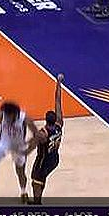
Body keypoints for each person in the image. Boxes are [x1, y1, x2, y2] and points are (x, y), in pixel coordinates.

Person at [0, 101, 42, 201]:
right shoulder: (3, 115)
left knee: (20, 172)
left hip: (19, 146)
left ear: (15, 114)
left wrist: (29, 149)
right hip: (5, 142)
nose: (7, 118)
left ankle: (23, 192)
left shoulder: (24, 119)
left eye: (9, 116)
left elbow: (37, 135)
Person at [27, 74, 64, 204]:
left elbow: (32, 142)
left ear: (46, 120)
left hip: (43, 160)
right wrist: (58, 83)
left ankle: (37, 203)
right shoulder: (59, 124)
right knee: (41, 178)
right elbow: (58, 102)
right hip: (54, 159)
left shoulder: (44, 133)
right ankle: (37, 200)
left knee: (35, 180)